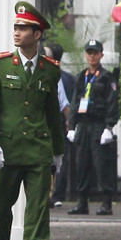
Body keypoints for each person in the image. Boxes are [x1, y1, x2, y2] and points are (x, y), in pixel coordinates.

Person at [0, 1, 65, 240]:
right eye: (16, 27)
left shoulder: (50, 69)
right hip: (7, 151)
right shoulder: (0, 64)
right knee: (1, 208)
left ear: (37, 34)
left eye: (23, 28)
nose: (16, 32)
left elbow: (53, 113)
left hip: (38, 150)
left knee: (38, 211)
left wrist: (57, 151)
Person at [67, 40, 119, 216]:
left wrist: (109, 126)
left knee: (101, 164)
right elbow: (75, 102)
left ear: (101, 55)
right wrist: (72, 126)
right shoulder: (81, 76)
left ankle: (106, 203)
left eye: (95, 53)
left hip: (98, 125)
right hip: (83, 125)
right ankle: (82, 203)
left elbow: (112, 102)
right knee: (81, 164)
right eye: (89, 53)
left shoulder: (106, 77)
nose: (92, 56)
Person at [45, 43, 74, 207]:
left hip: (56, 123)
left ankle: (53, 195)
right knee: (59, 159)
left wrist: (70, 121)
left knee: (57, 158)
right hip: (60, 122)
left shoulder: (54, 76)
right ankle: (56, 195)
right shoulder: (69, 77)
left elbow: (64, 103)